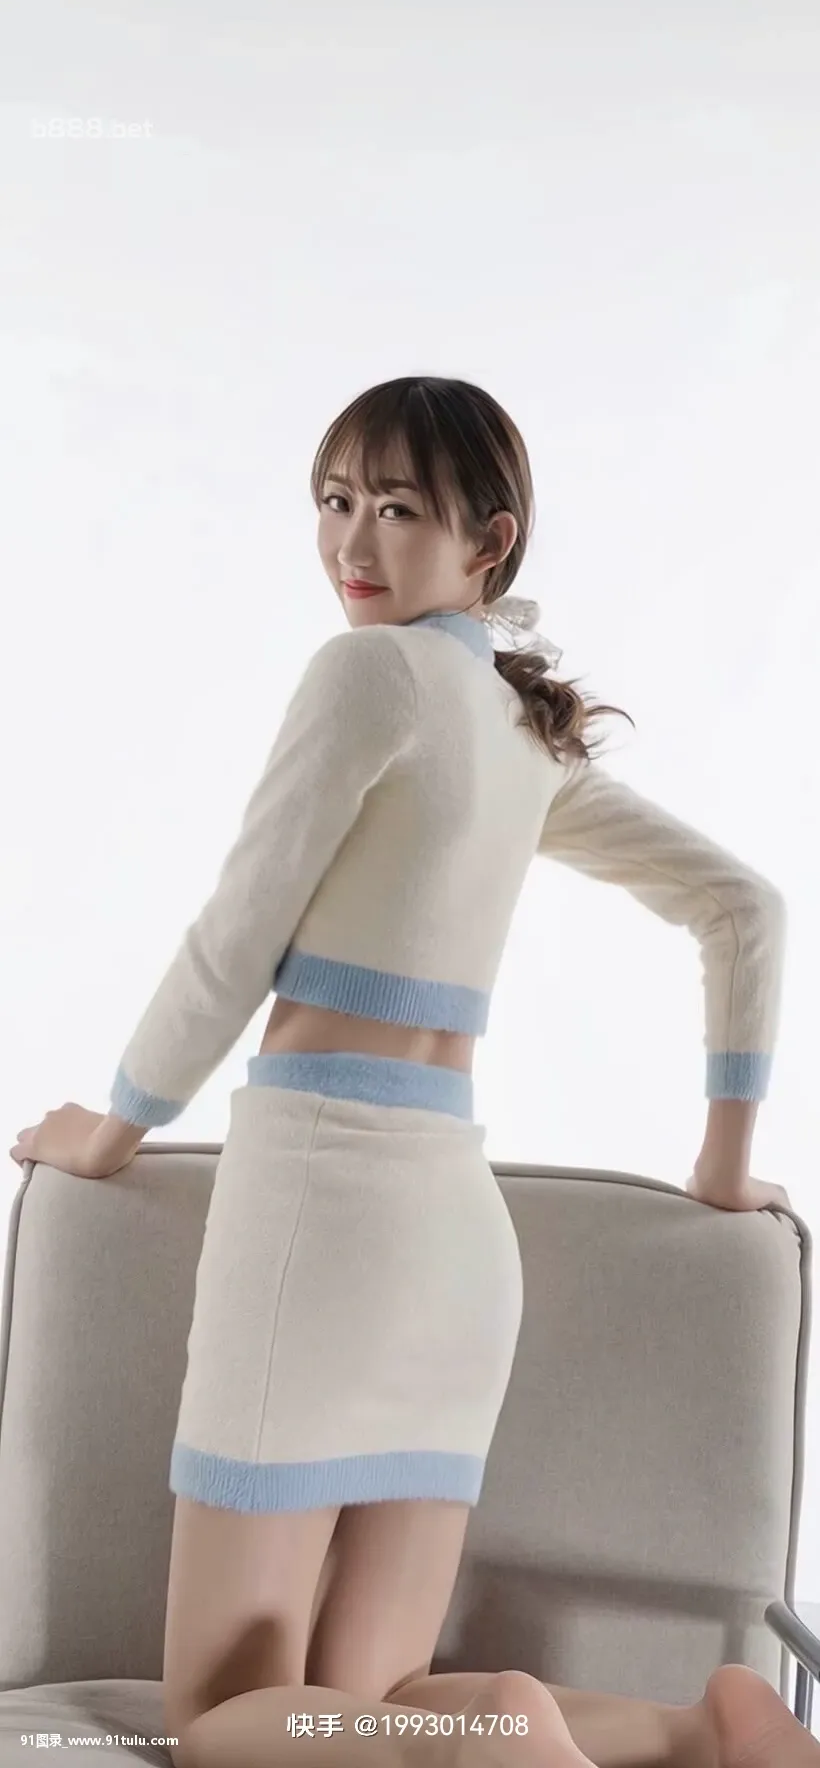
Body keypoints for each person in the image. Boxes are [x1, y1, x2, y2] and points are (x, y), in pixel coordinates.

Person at [11, 376, 794, 1767]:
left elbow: (238, 934)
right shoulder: (521, 731)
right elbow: (744, 908)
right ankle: (701, 1733)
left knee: (218, 1724)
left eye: (397, 510)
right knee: (362, 1705)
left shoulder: (366, 676)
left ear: (489, 541)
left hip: (315, 1221)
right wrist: (724, 1165)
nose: (351, 544)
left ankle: (488, 1741)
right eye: (334, 501)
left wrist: (112, 1130)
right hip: (453, 1253)